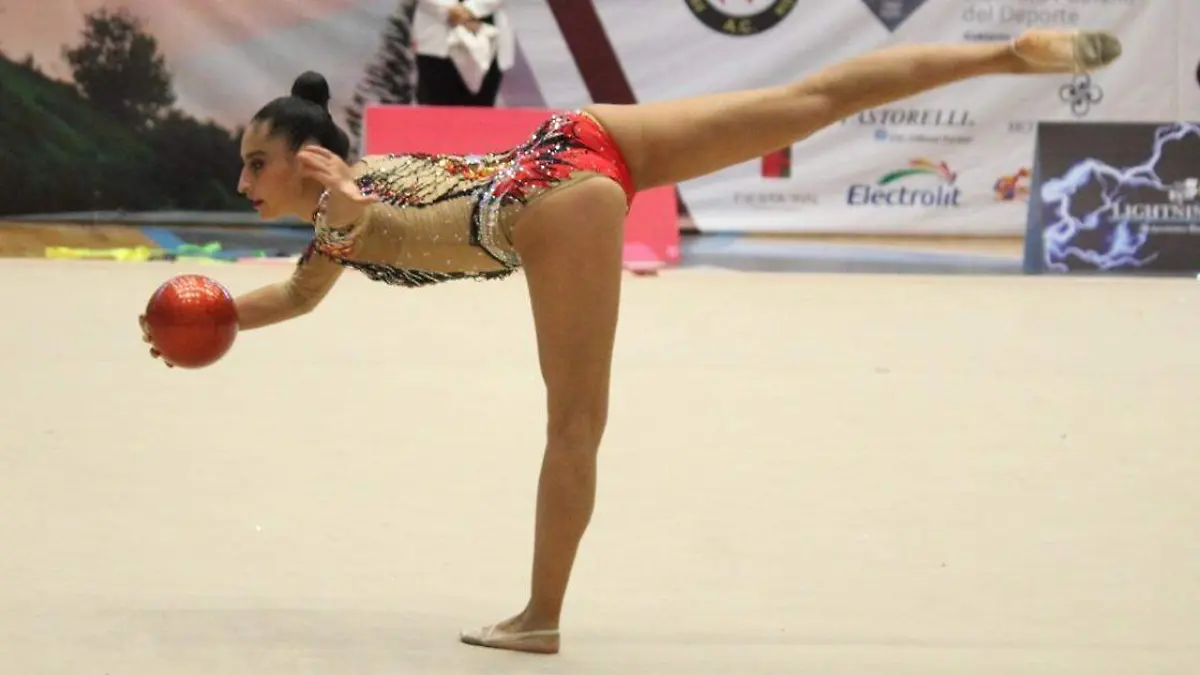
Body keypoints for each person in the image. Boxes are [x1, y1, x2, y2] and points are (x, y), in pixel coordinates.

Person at [139, 29, 1122, 654]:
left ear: (309, 159)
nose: (244, 182)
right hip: (579, 139)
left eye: (256, 164)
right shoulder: (352, 202)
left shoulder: (345, 207)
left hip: (551, 202)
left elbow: (351, 226)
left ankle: (538, 619)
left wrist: (337, 209)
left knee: (574, 425)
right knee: (817, 96)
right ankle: (1007, 55)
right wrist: (209, 315)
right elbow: (298, 295)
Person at [413, 0, 514, 107]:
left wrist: (471, 9)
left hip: (487, 37)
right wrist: (452, 10)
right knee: (435, 108)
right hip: (435, 40)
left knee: (480, 110)